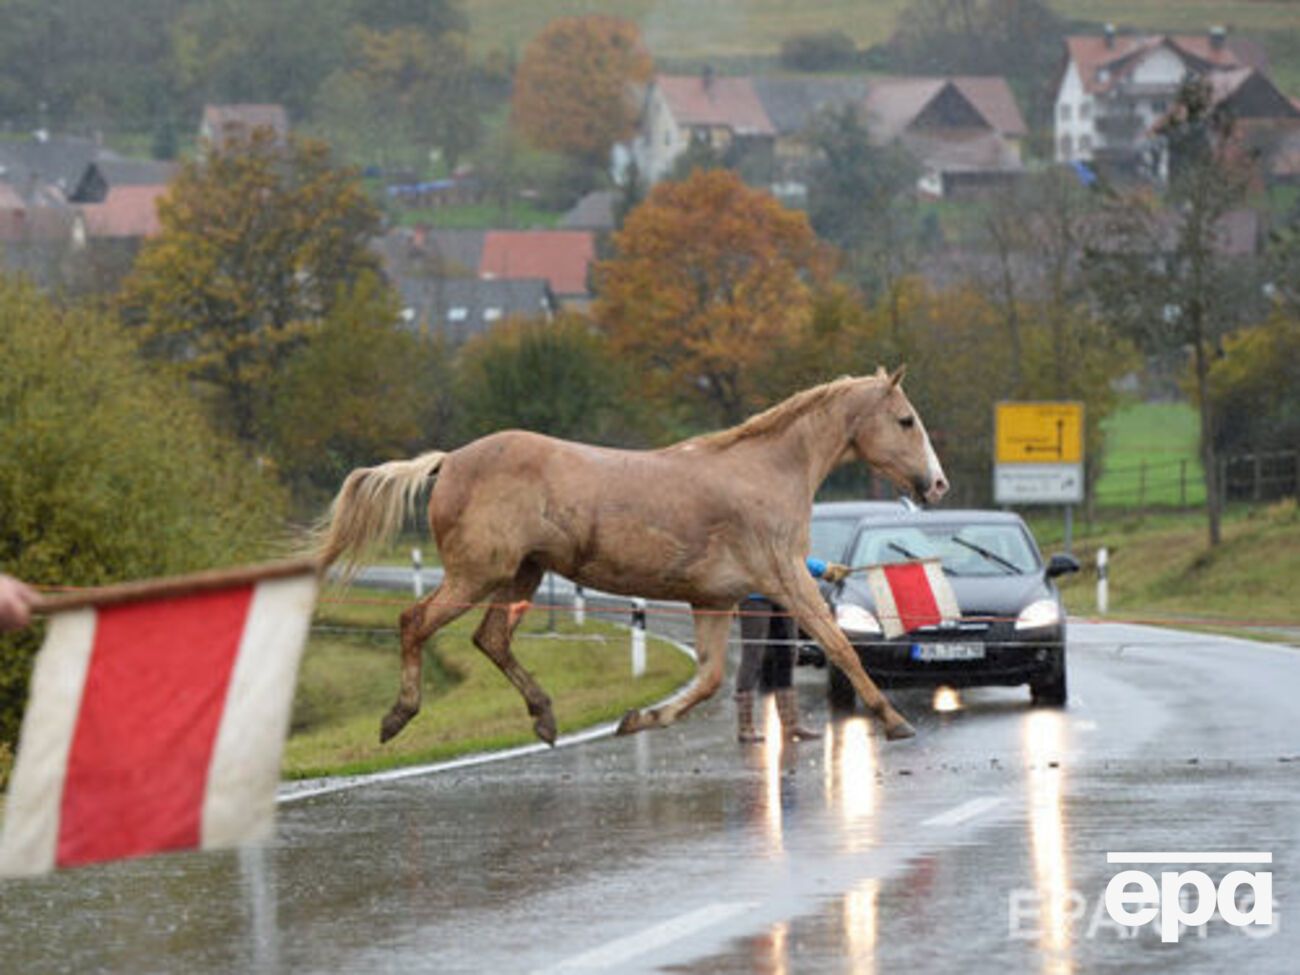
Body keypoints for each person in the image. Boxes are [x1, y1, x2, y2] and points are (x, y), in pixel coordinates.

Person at [735, 557, 849, 743]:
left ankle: (790, 725)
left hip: (784, 593)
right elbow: (781, 555)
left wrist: (822, 568)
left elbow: (791, 553)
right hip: (755, 595)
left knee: (786, 655)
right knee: (753, 656)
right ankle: (745, 727)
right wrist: (822, 569)